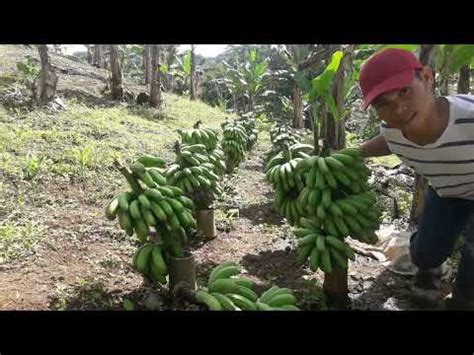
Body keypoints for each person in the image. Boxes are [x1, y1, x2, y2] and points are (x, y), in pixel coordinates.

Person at [358, 48, 474, 310]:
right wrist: (354, 153)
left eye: (404, 91)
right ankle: (429, 271)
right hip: (446, 191)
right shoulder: (394, 131)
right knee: (425, 251)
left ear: (427, 77)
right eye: (383, 103)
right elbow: (387, 142)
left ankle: (465, 298)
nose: (398, 108)